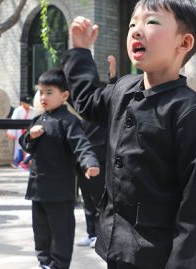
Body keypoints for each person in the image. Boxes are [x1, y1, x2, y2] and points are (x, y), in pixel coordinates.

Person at [62, 0, 196, 269]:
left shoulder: (189, 111)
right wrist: (79, 52)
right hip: (115, 244)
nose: (136, 31)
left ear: (184, 42)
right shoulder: (122, 88)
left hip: (156, 253)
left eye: (152, 22)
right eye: (133, 24)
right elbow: (86, 101)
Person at [19, 69, 100, 269]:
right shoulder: (39, 120)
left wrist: (90, 163)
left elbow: (81, 144)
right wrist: (30, 136)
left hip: (59, 190)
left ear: (64, 95)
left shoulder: (69, 121)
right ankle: (44, 262)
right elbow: (25, 144)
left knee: (61, 231)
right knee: (41, 231)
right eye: (41, 92)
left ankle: (59, 265)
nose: (43, 97)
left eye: (49, 92)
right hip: (38, 188)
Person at [76, 55, 118, 248]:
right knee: (87, 199)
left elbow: (114, 93)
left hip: (101, 159)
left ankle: (102, 235)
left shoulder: (104, 106)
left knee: (101, 199)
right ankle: (91, 233)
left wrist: (113, 76)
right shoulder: (82, 108)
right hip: (83, 160)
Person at [7, 94, 35, 169]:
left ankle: (26, 162)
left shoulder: (33, 110)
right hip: (19, 132)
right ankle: (17, 162)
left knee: (28, 147)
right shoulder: (18, 110)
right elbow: (13, 122)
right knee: (18, 147)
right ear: (22, 102)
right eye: (26, 102)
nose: (28, 104)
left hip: (29, 132)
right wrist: (12, 133)